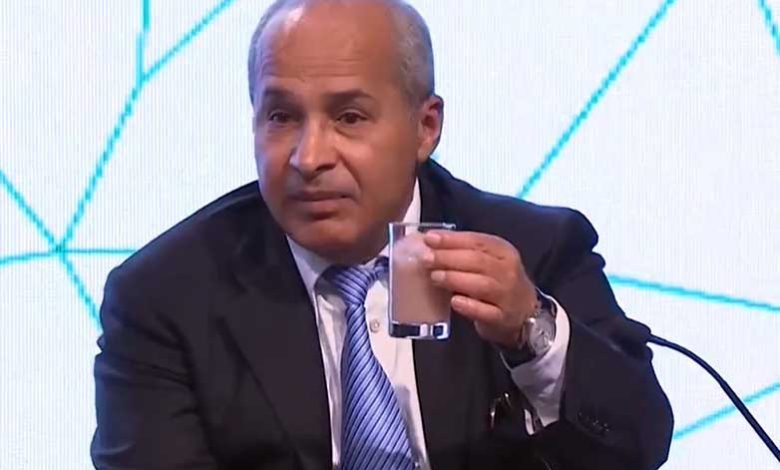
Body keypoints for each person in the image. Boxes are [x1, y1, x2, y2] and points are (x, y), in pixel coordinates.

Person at [91, 0, 673, 469]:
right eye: (281, 116)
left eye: (349, 117)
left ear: (426, 127)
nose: (308, 158)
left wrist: (534, 335)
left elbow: (638, 445)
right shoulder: (166, 296)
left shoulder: (536, 249)